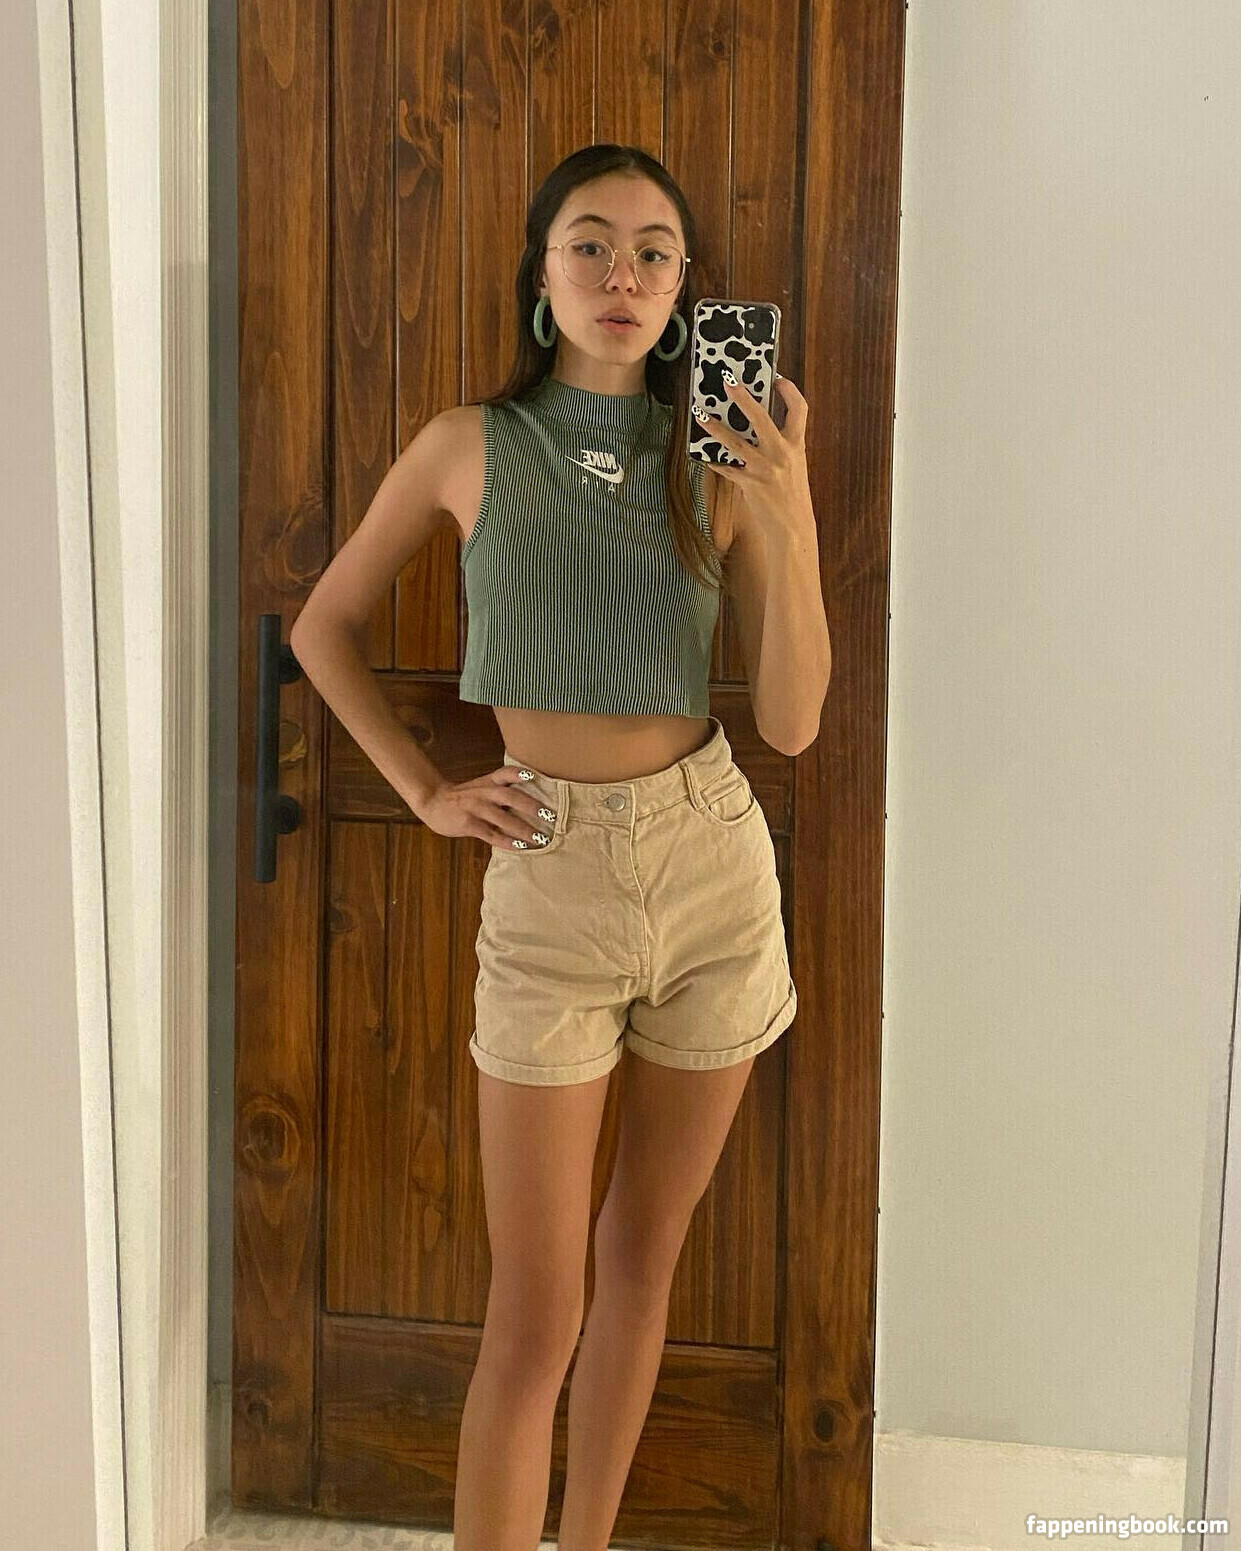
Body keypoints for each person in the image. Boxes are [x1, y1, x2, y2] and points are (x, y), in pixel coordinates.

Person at [289, 142, 828, 1551]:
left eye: (654, 252)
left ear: (685, 289)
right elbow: (322, 626)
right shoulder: (466, 444)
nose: (621, 275)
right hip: (547, 873)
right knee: (533, 1309)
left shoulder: (718, 460)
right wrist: (424, 790)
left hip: (710, 863)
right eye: (589, 244)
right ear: (540, 274)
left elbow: (790, 721)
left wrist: (788, 507)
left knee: (644, 1259)